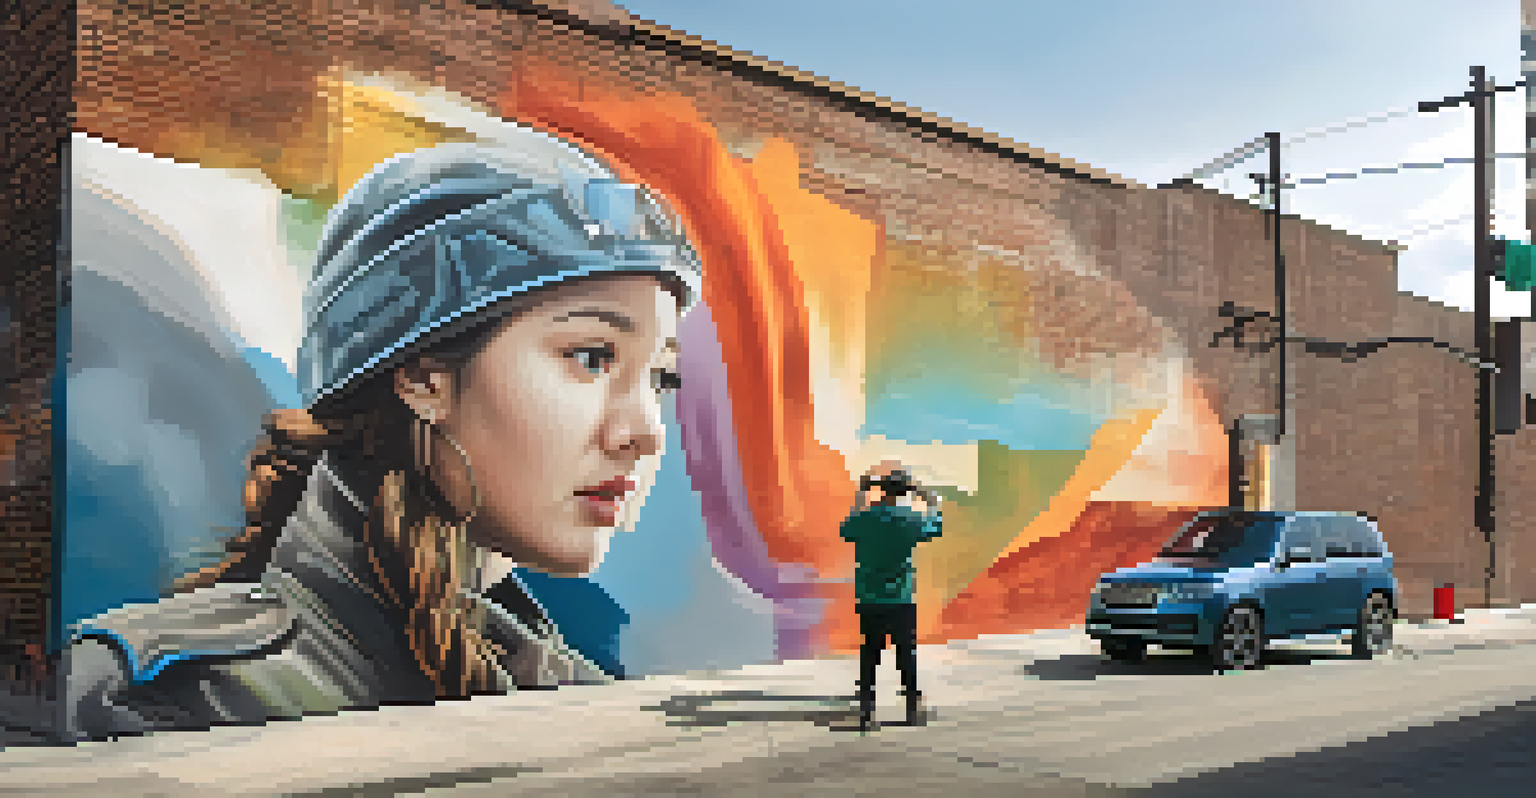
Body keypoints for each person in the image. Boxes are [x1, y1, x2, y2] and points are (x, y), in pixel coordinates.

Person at [49, 135, 702, 743]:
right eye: (591, 357)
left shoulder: (577, 701)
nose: (644, 431)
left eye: (662, 378)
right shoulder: (138, 708)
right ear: (423, 379)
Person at [839, 464, 943, 731]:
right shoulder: (911, 519)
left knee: (869, 654)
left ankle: (866, 710)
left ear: (880, 490)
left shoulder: (866, 518)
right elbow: (936, 524)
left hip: (869, 597)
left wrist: (861, 494)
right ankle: (911, 708)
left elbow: (846, 530)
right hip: (901, 597)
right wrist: (926, 495)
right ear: (905, 492)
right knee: (906, 654)